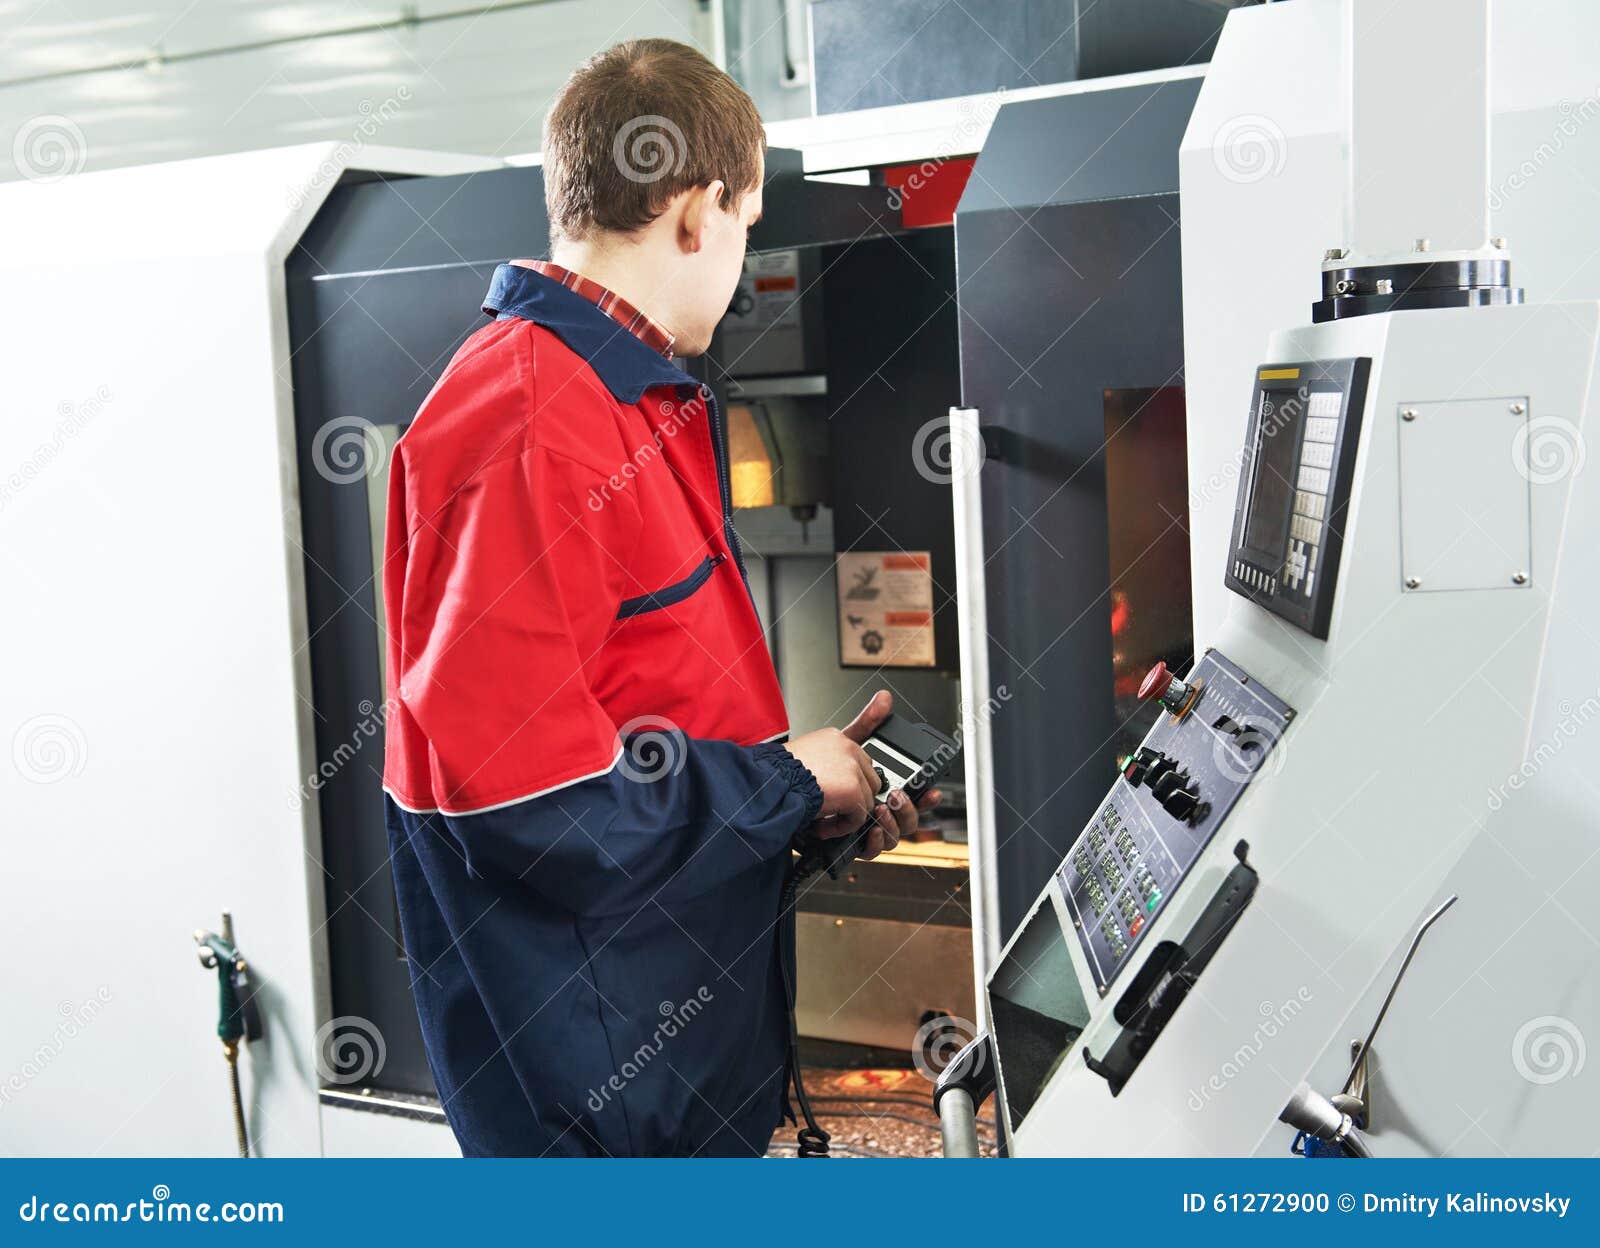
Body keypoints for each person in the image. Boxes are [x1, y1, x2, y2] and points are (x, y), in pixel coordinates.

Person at [379, 38, 937, 1156]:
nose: (739, 258)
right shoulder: (535, 422)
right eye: (746, 223)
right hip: (599, 1118)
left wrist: (796, 812)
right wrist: (782, 782)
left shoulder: (623, 399)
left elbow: (635, 719)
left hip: (673, 1080)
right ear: (696, 212)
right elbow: (527, 801)